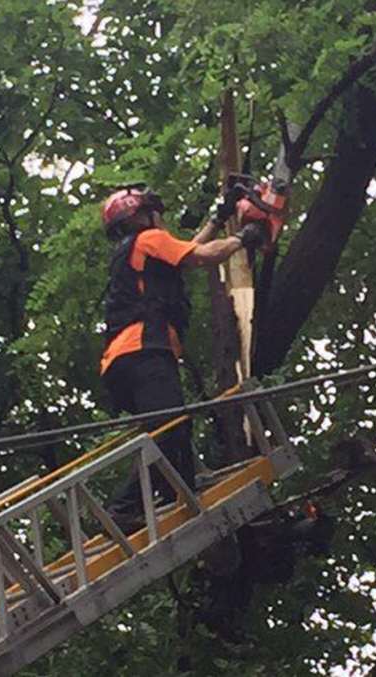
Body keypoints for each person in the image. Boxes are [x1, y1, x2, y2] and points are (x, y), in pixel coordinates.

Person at [100, 183, 264, 531]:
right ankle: (124, 507)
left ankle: (180, 488)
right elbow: (202, 257)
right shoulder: (148, 239)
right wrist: (244, 239)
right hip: (144, 350)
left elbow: (185, 251)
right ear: (141, 215)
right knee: (171, 428)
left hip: (122, 361)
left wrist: (218, 219)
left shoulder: (135, 251)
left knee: (174, 426)